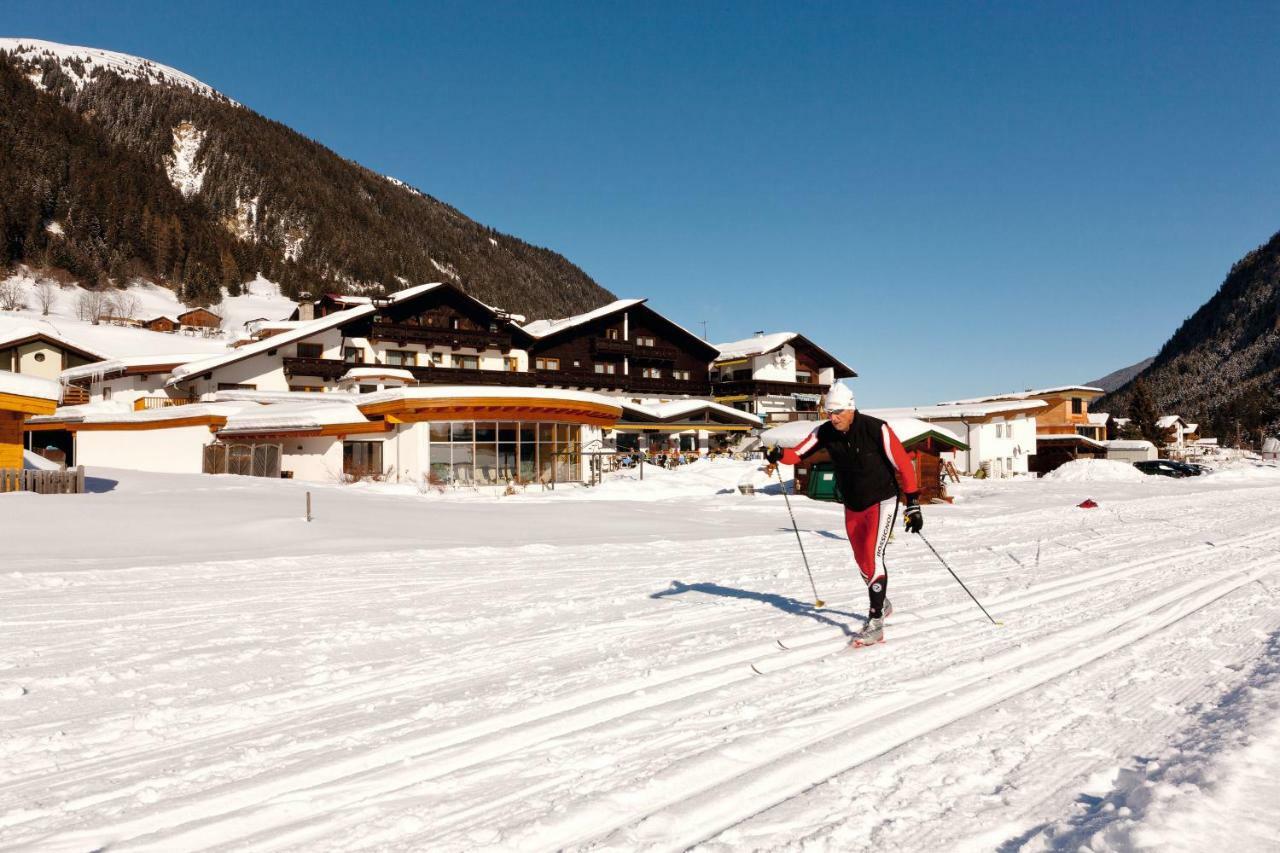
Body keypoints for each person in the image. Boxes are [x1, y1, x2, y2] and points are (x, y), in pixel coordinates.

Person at [765, 382, 922, 647]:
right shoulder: (824, 432)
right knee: (861, 560)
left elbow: (903, 464)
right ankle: (881, 602)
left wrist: (913, 502)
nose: (833, 417)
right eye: (829, 412)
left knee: (873, 557)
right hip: (852, 503)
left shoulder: (876, 428)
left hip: (882, 500)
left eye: (837, 412)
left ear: (850, 408)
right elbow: (797, 454)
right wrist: (779, 454)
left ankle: (875, 622)